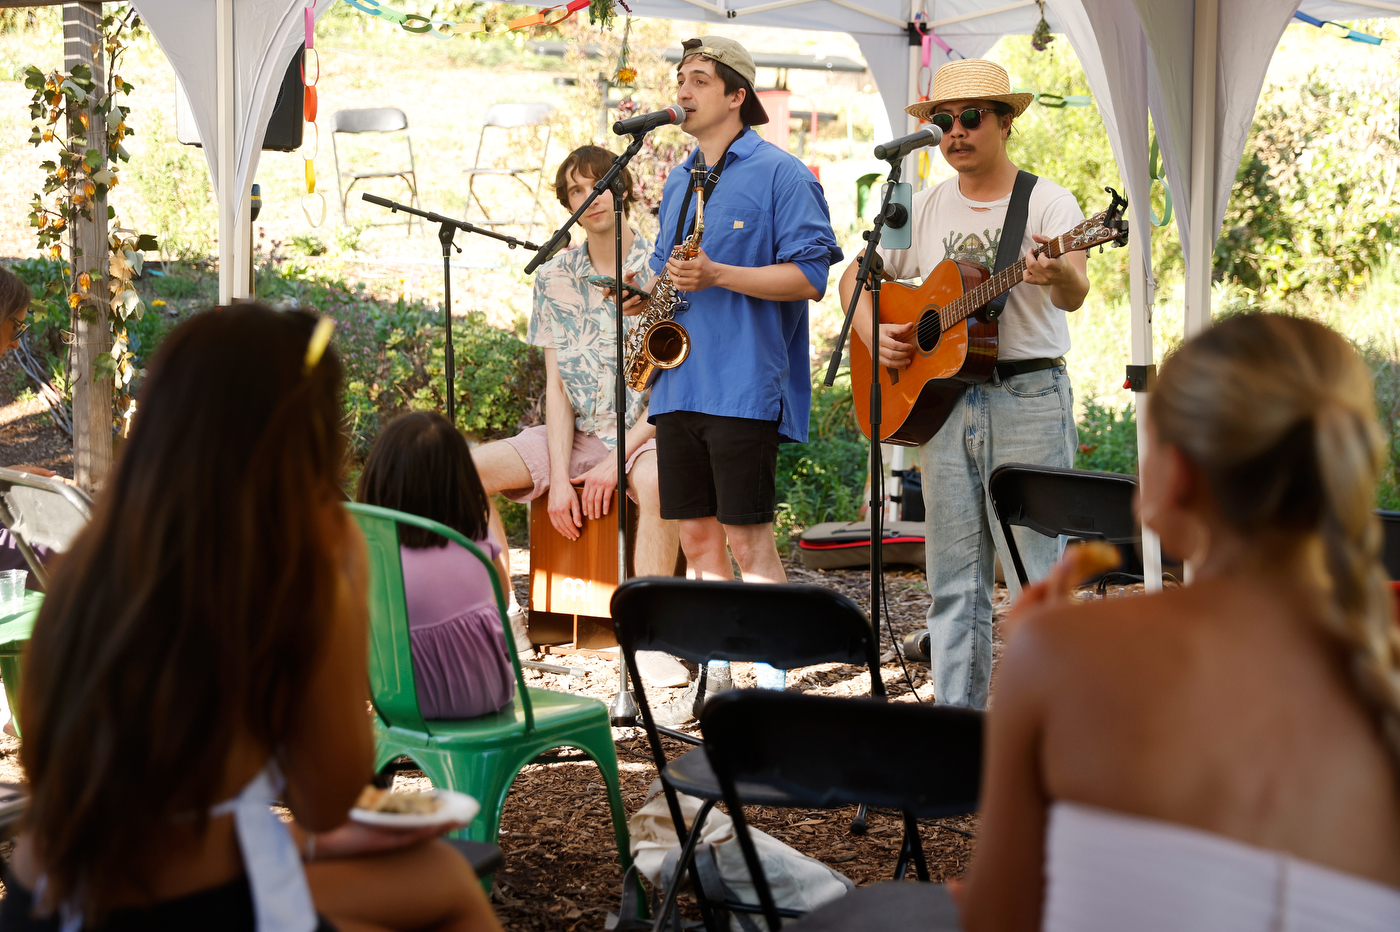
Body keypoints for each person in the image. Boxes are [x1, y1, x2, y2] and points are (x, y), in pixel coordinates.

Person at [2, 305, 500, 932]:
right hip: (186, 906)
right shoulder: (283, 577)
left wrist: (315, 847)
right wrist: (347, 583)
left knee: (433, 880)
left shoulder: (86, 572)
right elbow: (329, 798)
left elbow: (149, 815)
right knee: (449, 888)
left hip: (42, 895)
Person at [959, 314, 1400, 930]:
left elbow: (997, 919)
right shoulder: (1381, 667)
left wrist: (1038, 656)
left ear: (1181, 472)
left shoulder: (1060, 656)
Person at [837, 58, 1090, 710]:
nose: (955, 131)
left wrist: (1053, 273)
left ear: (1006, 122)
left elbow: (1077, 290)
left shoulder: (1048, 202)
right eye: (944, 120)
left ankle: (1050, 739)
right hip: (941, 404)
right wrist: (876, 331)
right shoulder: (916, 203)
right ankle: (957, 739)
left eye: (971, 117)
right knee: (954, 583)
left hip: (1026, 397)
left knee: (1040, 583)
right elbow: (853, 276)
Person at [622, 36, 842, 722]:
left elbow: (810, 277)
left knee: (750, 542)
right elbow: (667, 271)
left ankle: (774, 683)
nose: (681, 92)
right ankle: (719, 673)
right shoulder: (677, 176)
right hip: (680, 385)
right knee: (695, 540)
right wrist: (642, 295)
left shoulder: (783, 174)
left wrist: (718, 274)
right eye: (679, 79)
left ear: (736, 96)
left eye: (697, 80)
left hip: (744, 385)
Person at [471, 145, 686, 687]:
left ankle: (649, 641)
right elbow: (558, 385)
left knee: (661, 482)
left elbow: (679, 379)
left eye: (600, 183)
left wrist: (619, 461)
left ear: (624, 189)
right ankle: (505, 622)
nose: (589, 197)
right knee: (465, 469)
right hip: (582, 431)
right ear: (566, 202)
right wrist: (561, 475)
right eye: (575, 189)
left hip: (648, 428)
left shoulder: (663, 267)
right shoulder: (554, 278)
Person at [357, 411, 516, 720]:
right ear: (459, 479)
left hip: (393, 698)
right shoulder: (476, 535)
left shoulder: (367, 547)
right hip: (484, 695)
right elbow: (504, 601)